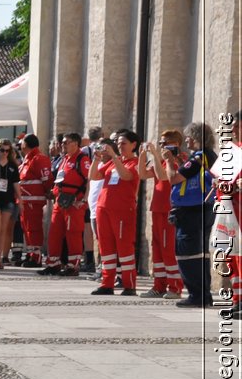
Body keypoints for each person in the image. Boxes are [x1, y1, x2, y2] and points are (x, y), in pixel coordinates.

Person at [150, 121, 217, 307]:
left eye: (188, 136)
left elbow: (173, 178)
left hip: (193, 210)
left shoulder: (199, 156)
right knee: (199, 254)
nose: (186, 140)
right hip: (201, 208)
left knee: (188, 254)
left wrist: (170, 161)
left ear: (196, 138)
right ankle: (203, 295)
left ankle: (197, 296)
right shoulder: (208, 155)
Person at [87, 129, 142, 295]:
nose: (120, 146)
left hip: (122, 211)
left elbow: (126, 176)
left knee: (124, 248)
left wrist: (115, 157)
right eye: (118, 143)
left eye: (123, 143)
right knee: (106, 247)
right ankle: (107, 283)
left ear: (134, 145)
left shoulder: (135, 162)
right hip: (103, 209)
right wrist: (96, 160)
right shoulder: (112, 162)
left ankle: (129, 284)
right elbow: (94, 176)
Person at [41, 133, 92, 276]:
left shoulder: (82, 159)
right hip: (60, 201)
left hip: (74, 203)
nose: (62, 145)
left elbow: (90, 180)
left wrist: (83, 200)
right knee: (54, 233)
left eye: (65, 143)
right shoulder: (64, 159)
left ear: (75, 144)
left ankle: (73, 266)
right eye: (62, 143)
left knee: (73, 234)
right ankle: (53, 264)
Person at [142, 135, 183, 298]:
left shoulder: (179, 160)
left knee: (168, 249)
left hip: (169, 209)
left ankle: (175, 287)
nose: (162, 146)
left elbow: (162, 176)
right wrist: (144, 156)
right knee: (157, 249)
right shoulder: (162, 161)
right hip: (157, 209)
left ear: (176, 144)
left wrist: (159, 157)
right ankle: (159, 286)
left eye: (165, 143)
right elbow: (142, 175)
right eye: (160, 143)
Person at [17, 134, 52, 267]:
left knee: (34, 228)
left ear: (25, 144)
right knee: (26, 228)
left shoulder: (39, 159)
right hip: (25, 201)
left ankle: (36, 256)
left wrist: (48, 191)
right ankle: (31, 254)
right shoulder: (27, 159)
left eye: (22, 143)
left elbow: (46, 179)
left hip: (33, 201)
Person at [0, 140, 20, 269]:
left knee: (3, 230)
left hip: (8, 200)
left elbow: (16, 184)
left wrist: (21, 200)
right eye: (2, 150)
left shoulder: (13, 165)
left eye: (7, 151)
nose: (5, 153)